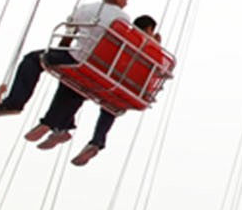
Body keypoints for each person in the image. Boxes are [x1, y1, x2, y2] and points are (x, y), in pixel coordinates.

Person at [24, 11, 161, 164]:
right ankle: (96, 141)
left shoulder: (125, 38)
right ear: (150, 29)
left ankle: (59, 125)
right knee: (110, 106)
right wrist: (156, 45)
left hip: (108, 75)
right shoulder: (154, 51)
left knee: (77, 87)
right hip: (128, 87)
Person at [0, 0, 133, 116]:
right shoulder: (124, 19)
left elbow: (69, 35)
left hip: (76, 57)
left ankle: (14, 103)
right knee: (73, 84)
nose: (126, 3)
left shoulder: (85, 9)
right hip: (98, 65)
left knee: (32, 59)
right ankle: (58, 122)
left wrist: (59, 52)